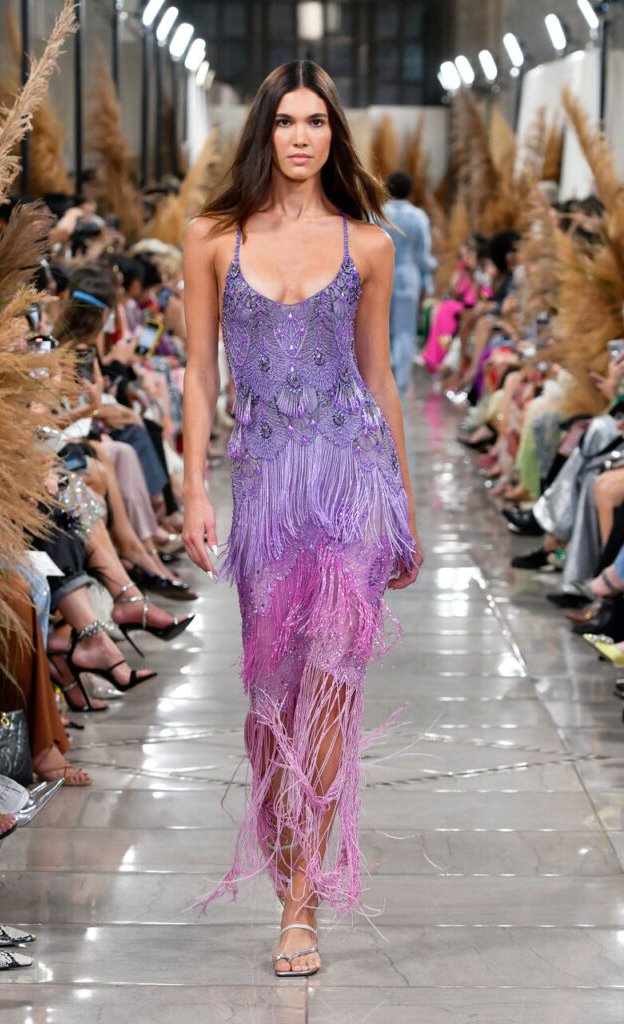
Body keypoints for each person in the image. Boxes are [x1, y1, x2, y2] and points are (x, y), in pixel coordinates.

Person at [181, 61, 423, 978]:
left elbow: (380, 378)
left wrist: (404, 505)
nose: (300, 136)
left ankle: (301, 904)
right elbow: (200, 374)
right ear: (264, 132)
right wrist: (195, 490)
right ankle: (290, 859)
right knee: (271, 698)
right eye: (286, 121)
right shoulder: (212, 238)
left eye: (316, 121)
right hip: (266, 490)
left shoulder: (370, 244)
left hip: (353, 481)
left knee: (329, 688)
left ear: (333, 134)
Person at [381, 170, 434, 396]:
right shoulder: (418, 217)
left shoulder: (377, 213)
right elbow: (423, 253)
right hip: (409, 277)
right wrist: (427, 281)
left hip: (382, 274)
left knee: (381, 326)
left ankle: (382, 374)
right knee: (405, 329)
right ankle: (400, 382)